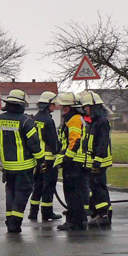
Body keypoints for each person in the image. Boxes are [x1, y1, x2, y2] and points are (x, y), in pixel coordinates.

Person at [0, 89, 46, 233]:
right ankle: (15, 223)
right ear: (21, 104)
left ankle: (9, 219)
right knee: (21, 194)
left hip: (8, 166)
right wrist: (41, 160)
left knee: (10, 193)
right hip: (24, 166)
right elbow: (34, 144)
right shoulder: (26, 121)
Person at [53, 92, 88, 231]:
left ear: (71, 108)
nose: (62, 110)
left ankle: (73, 222)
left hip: (74, 163)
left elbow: (75, 140)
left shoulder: (74, 120)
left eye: (65, 107)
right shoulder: (78, 118)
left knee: (71, 193)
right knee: (77, 193)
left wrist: (67, 158)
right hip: (78, 162)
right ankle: (80, 219)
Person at [28, 91, 63, 222]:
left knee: (37, 186)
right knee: (48, 187)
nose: (55, 106)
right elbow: (52, 141)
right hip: (49, 160)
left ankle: (33, 212)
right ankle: (47, 213)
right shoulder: (49, 120)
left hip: (37, 159)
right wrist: (58, 151)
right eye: (53, 104)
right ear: (48, 104)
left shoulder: (35, 118)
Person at [81, 91, 113, 227]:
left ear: (94, 107)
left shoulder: (101, 122)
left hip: (99, 161)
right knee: (95, 187)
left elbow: (102, 142)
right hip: (94, 160)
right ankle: (99, 212)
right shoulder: (95, 121)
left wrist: (98, 160)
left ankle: (103, 214)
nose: (85, 110)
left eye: (87, 107)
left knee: (99, 188)